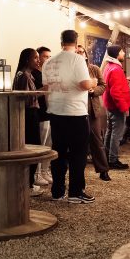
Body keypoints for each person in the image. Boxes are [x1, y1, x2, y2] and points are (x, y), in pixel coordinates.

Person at [42, 30, 97, 204]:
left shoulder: (49, 62)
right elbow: (84, 84)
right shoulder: (77, 59)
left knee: (58, 152)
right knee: (78, 154)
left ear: (61, 41)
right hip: (75, 112)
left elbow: (46, 88)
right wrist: (93, 82)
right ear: (76, 41)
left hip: (55, 111)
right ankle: (75, 192)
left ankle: (57, 191)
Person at [13, 48, 45, 196]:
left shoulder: (25, 75)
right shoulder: (24, 76)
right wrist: (43, 91)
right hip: (29, 114)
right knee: (33, 148)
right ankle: (29, 184)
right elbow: (26, 98)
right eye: (35, 58)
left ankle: (28, 182)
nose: (38, 61)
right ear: (27, 60)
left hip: (28, 114)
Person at [76, 45, 111, 181]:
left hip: (92, 110)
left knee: (97, 141)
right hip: (76, 110)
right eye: (77, 52)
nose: (79, 54)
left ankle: (103, 170)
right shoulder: (73, 69)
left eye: (81, 52)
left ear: (85, 55)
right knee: (78, 142)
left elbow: (103, 85)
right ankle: (78, 173)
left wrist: (93, 91)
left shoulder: (94, 69)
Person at [102, 44, 130, 169]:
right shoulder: (116, 69)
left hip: (109, 105)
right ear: (117, 54)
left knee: (110, 132)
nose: (124, 53)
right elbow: (115, 92)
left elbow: (112, 86)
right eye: (122, 51)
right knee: (117, 134)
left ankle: (106, 158)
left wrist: (124, 81)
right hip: (116, 107)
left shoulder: (109, 67)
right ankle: (113, 160)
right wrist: (124, 108)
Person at [33, 46, 54, 187]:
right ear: (38, 58)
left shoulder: (48, 72)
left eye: (49, 57)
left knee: (48, 144)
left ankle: (45, 170)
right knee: (40, 144)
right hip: (40, 113)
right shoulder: (34, 74)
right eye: (45, 56)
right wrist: (46, 89)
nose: (48, 59)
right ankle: (37, 173)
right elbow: (32, 94)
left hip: (50, 111)